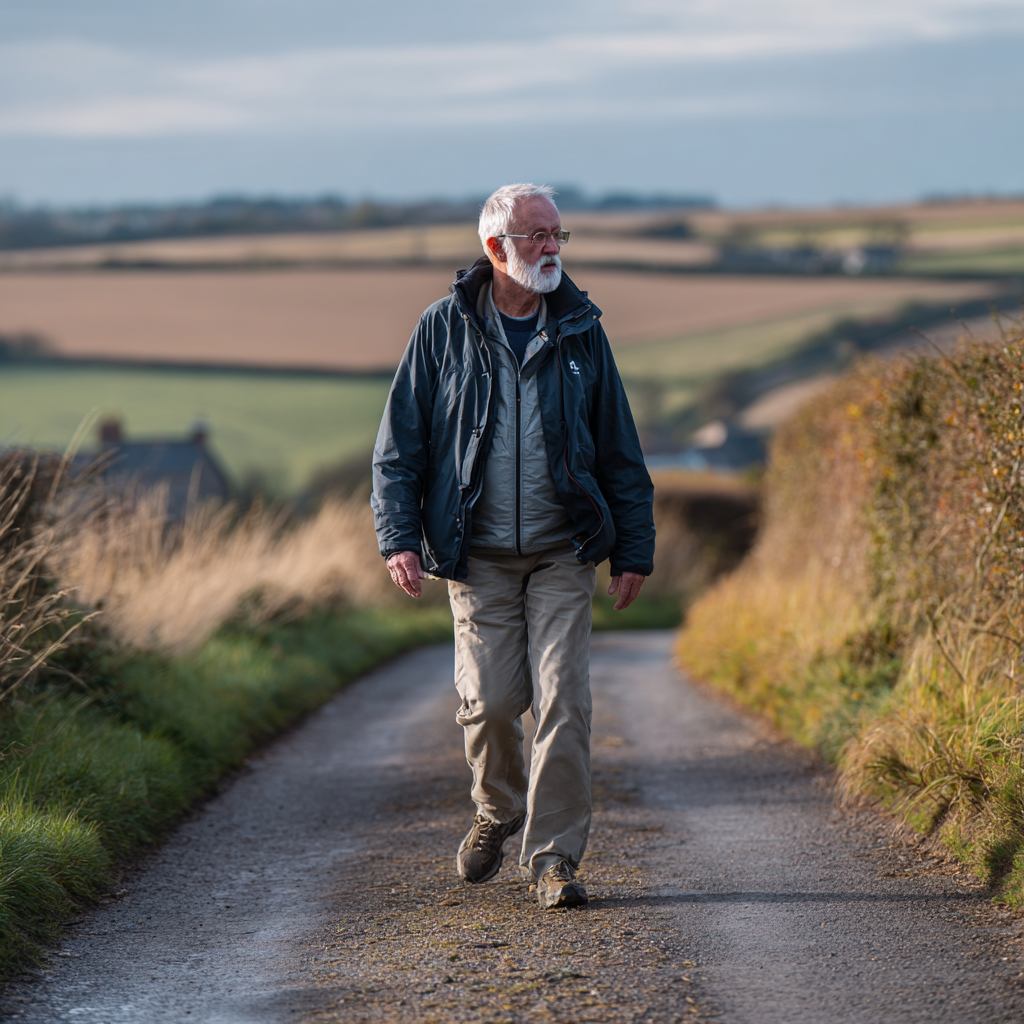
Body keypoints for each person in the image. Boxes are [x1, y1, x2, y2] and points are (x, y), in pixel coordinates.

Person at [371, 183, 655, 910]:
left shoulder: (583, 330)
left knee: (564, 700)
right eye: (538, 237)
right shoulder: (442, 329)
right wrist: (398, 538)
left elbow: (619, 449)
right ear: (497, 248)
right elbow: (399, 448)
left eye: (559, 234)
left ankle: (555, 859)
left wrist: (633, 548)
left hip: (564, 553)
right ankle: (499, 810)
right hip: (477, 555)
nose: (553, 248)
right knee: (494, 703)